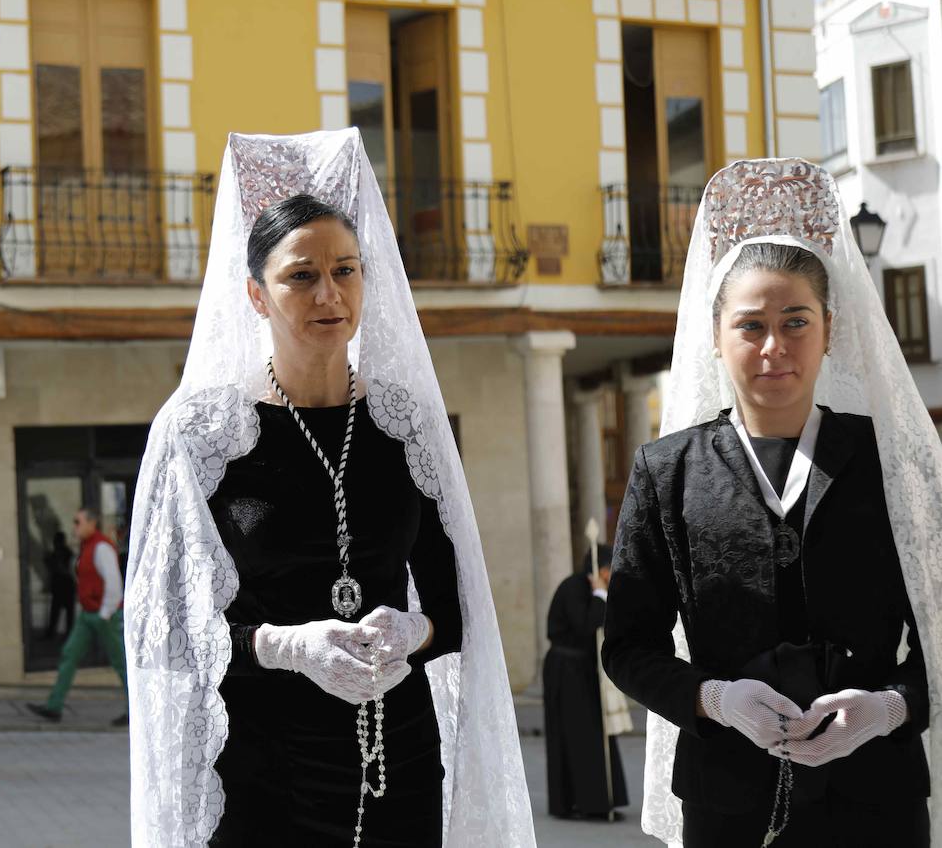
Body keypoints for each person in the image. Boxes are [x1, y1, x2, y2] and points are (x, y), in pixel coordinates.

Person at [123, 131, 535, 847]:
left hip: (396, 765)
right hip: (258, 772)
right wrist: (284, 646)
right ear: (255, 294)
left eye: (345, 270)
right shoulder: (201, 434)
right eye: (300, 276)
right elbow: (162, 632)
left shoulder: (406, 424)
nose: (328, 293)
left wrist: (414, 632)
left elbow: (457, 611)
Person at [603, 158, 939, 847]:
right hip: (728, 805)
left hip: (878, 799)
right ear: (717, 335)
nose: (773, 347)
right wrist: (716, 699)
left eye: (795, 322)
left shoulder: (893, 462)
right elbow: (629, 647)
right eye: (751, 325)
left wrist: (888, 707)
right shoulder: (666, 470)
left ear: (829, 329)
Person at [544, 544, 628, 820]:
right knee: (577, 735)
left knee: (592, 734)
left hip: (583, 670)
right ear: (600, 570)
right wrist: (600, 595)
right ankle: (580, 802)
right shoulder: (573, 588)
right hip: (566, 670)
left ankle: (600, 799)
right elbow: (584, 625)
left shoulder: (592, 591)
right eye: (609, 571)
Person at [27, 508, 127, 726]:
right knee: (69, 655)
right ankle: (54, 706)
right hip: (89, 613)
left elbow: (114, 584)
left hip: (104, 614)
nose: (74, 527)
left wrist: (105, 613)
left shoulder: (101, 548)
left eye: (77, 522)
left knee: (120, 662)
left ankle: (134, 710)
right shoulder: (87, 548)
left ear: (92, 523)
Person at [43, 531, 76, 640]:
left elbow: (68, 569)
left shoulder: (66, 553)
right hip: (60, 587)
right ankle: (53, 633)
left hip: (66, 586)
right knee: (56, 612)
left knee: (67, 613)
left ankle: (68, 634)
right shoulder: (57, 553)